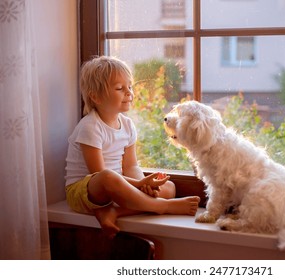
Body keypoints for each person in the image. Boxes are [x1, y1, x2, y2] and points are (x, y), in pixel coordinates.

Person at [65, 56, 200, 238]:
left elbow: (130, 166)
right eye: (120, 88)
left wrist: (145, 187)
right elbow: (97, 174)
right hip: (86, 191)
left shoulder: (127, 125)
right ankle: (163, 207)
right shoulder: (90, 127)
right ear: (95, 96)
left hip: (117, 187)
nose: (129, 92)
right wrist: (139, 184)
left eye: (130, 86)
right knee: (108, 177)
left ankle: (114, 212)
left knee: (169, 188)